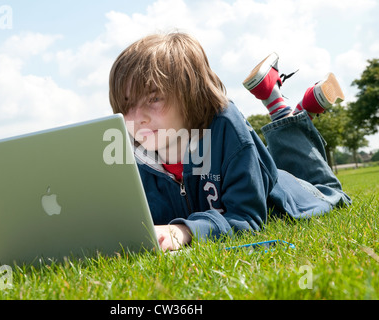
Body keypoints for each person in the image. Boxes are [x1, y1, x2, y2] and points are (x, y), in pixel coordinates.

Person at [108, 32, 351, 251]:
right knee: (268, 160)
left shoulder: (225, 124)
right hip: (263, 169)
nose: (138, 118)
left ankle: (284, 110)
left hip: (291, 194)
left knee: (329, 191)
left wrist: (185, 230)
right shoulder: (130, 150)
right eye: (128, 105)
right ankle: (294, 109)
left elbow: (247, 217)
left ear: (192, 93)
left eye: (154, 98)